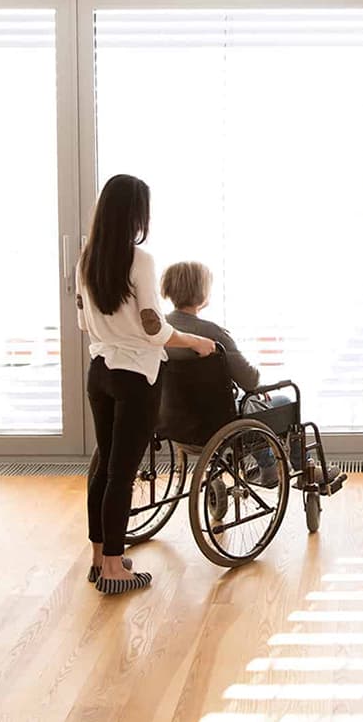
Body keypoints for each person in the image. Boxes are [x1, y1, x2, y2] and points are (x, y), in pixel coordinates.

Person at [77, 175, 216, 596]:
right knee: (122, 473)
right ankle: (117, 570)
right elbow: (154, 327)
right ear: (137, 213)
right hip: (135, 375)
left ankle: (101, 558)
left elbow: (83, 320)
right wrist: (195, 341)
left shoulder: (86, 259)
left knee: (104, 467)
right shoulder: (140, 261)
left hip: (99, 371)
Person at [160, 261, 284, 486]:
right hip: (216, 426)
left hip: (175, 422)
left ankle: (267, 466)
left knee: (246, 404)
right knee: (283, 400)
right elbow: (251, 380)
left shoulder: (160, 330)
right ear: (202, 293)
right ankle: (286, 466)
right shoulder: (212, 333)